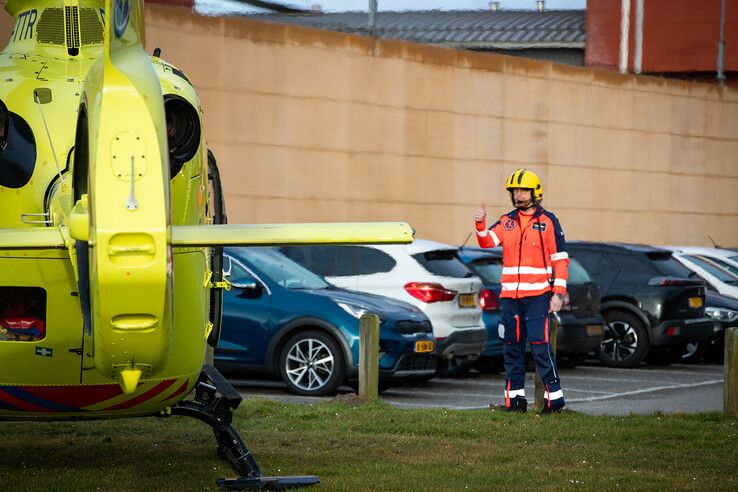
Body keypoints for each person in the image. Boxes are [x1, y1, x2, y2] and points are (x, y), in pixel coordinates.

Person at [474, 168, 569, 414]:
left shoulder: (548, 221)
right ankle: (515, 402)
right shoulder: (506, 220)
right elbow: (486, 241)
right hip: (510, 299)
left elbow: (560, 259)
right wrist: (480, 223)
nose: (518, 195)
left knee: (540, 347)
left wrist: (558, 293)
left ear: (535, 192)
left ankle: (554, 401)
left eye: (523, 190)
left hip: (538, 298)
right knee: (511, 348)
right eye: (515, 191)